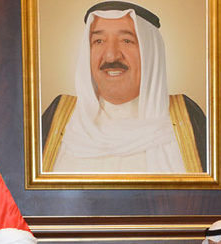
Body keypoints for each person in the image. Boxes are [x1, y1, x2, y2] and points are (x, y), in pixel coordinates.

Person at [42, 1, 206, 174]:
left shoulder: (187, 119)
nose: (111, 55)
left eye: (127, 41)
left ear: (150, 53)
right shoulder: (58, 118)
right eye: (99, 41)